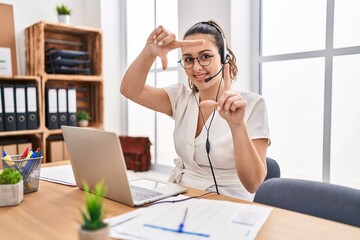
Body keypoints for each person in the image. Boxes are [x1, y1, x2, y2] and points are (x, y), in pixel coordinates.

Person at [120, 20, 270, 201]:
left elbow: (253, 183)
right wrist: (150, 51)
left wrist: (237, 125)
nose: (197, 67)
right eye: (189, 59)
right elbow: (130, 90)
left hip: (230, 201)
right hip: (180, 196)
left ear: (224, 57)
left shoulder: (252, 104)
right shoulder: (180, 97)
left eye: (205, 56)